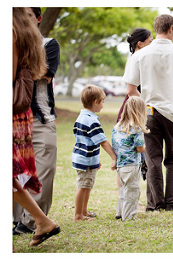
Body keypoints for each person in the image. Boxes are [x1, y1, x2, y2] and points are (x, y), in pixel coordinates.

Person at [122, 14, 173, 211]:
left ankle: (155, 204)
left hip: (149, 113)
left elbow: (131, 90)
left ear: (156, 29)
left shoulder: (139, 55)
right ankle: (171, 203)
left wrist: (146, 102)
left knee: (153, 159)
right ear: (172, 28)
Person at [12, 6, 60, 246]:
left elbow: (44, 73)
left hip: (39, 117)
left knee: (43, 171)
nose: (23, 21)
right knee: (15, 171)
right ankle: (19, 219)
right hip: (13, 116)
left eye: (28, 17)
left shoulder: (48, 44)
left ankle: (33, 222)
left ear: (39, 19)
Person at [71, 85, 118, 221]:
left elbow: (87, 140)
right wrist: (113, 157)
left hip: (86, 158)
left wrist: (95, 160)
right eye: (102, 102)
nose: (103, 105)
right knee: (82, 186)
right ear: (96, 102)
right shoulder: (91, 121)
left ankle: (83, 211)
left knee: (87, 185)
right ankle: (78, 215)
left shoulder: (82, 116)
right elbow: (102, 141)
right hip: (85, 159)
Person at [112, 96, 148, 220]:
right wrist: (146, 147)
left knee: (123, 190)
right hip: (132, 165)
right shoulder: (136, 128)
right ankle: (129, 216)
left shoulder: (117, 127)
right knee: (132, 191)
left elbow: (115, 145)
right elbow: (139, 148)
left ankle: (120, 212)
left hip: (120, 165)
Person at [117, 28, 152, 123]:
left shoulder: (134, 58)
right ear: (140, 44)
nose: (152, 45)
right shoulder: (134, 59)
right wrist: (146, 104)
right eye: (150, 42)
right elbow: (131, 90)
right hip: (137, 102)